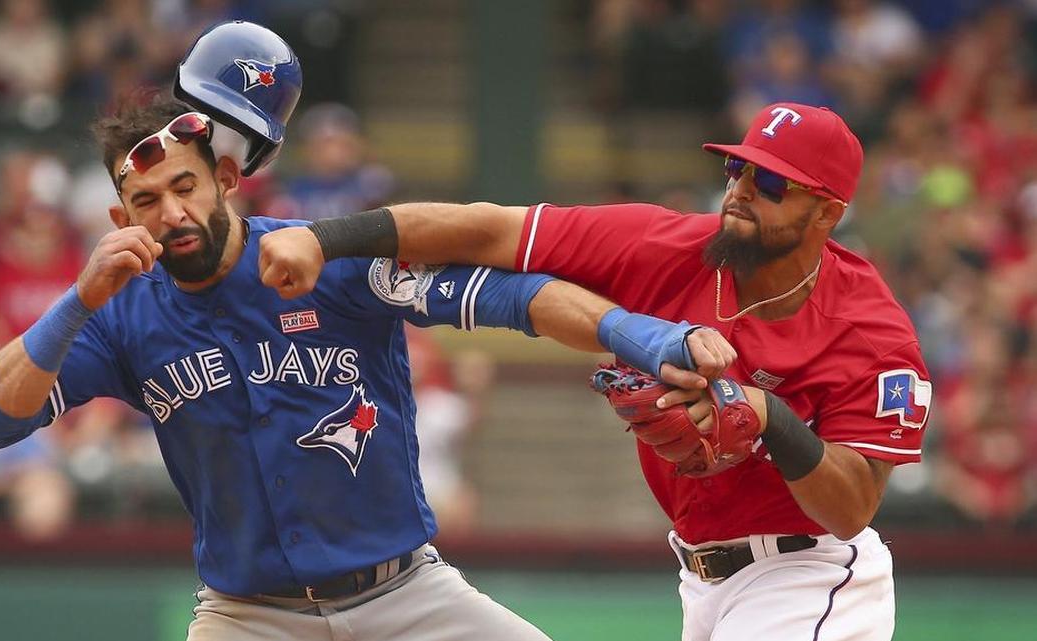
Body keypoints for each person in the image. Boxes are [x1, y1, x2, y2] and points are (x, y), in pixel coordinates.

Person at [0, 21, 738, 641]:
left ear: (226, 180)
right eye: (144, 201)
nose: (169, 213)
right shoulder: (118, 315)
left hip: (407, 595)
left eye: (185, 186)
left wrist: (648, 338)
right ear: (118, 218)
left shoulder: (319, 258)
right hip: (248, 614)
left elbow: (517, 299)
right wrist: (78, 299)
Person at [259, 102, 932, 641]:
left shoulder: (869, 330)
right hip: (703, 578)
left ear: (828, 212)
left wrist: (768, 416)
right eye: (737, 170)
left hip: (809, 575)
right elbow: (489, 230)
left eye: (772, 183)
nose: (742, 192)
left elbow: (851, 509)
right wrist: (326, 238)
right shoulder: (664, 247)